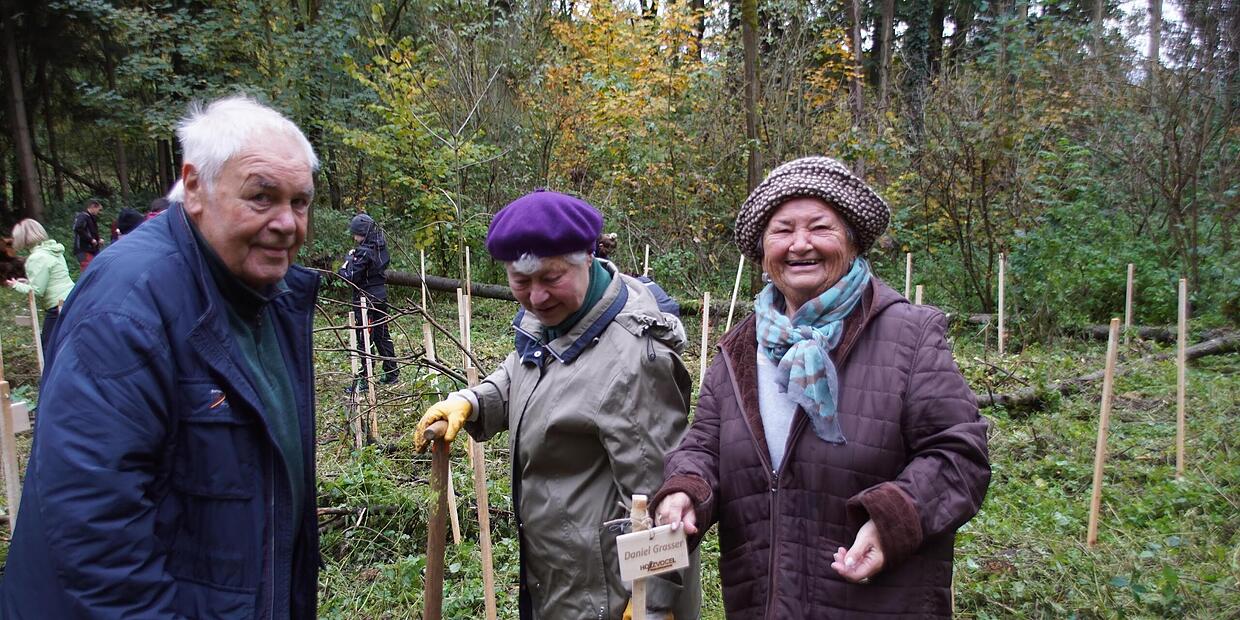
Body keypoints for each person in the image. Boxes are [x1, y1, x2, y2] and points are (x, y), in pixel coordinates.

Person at [0, 95, 322, 618]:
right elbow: (95, 534)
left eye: (300, 202)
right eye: (262, 197)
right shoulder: (127, 307)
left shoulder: (269, 297)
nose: (288, 222)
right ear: (194, 187)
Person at [652, 156, 991, 618]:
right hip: (763, 600)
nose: (800, 245)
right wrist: (684, 489)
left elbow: (959, 456)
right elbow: (705, 446)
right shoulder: (740, 347)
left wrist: (892, 519)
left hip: (876, 602)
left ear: (850, 241)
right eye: (783, 230)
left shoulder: (909, 335)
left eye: (820, 227)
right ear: (762, 248)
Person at [415, 190, 701, 620]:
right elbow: (524, 373)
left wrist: (650, 606)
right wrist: (472, 401)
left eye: (551, 278)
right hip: (560, 571)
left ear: (588, 258)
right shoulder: (553, 322)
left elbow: (657, 499)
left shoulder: (635, 362)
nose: (537, 297)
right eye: (521, 282)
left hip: (608, 593)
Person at [338, 212, 398, 384]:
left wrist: (349, 259)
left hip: (366, 299)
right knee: (381, 334)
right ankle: (392, 372)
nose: (354, 237)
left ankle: (365, 378)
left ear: (362, 233)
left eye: (356, 233)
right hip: (380, 296)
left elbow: (348, 276)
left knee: (365, 337)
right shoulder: (381, 249)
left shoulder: (364, 252)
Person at [4, 219, 74, 349]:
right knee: (66, 343)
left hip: (57, 306)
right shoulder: (52, 250)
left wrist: (15, 285)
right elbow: (52, 278)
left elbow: (36, 290)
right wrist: (26, 282)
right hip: (70, 299)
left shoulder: (36, 257)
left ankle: (51, 370)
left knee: (48, 347)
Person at [72, 198, 103, 270]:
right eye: (98, 209)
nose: (99, 212)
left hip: (91, 250)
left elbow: (91, 232)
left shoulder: (91, 218)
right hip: (84, 250)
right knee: (88, 271)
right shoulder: (83, 216)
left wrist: (98, 240)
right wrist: (91, 240)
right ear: (93, 207)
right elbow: (78, 228)